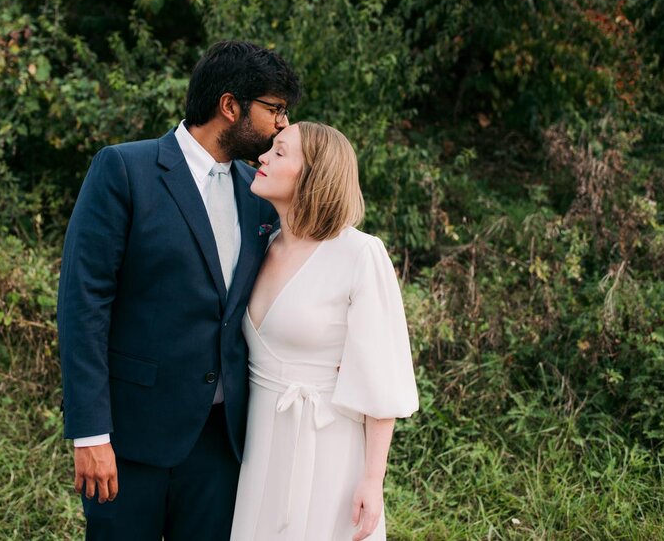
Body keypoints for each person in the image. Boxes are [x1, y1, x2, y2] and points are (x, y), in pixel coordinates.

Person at [56, 40, 300, 541]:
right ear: (229, 106)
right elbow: (83, 306)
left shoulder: (258, 193)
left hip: (222, 443)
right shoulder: (124, 170)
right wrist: (90, 433)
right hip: (131, 438)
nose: (283, 124)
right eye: (274, 109)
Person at [230, 122, 419, 541]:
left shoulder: (359, 254)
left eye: (279, 152)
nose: (262, 157)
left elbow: (380, 378)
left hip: (327, 445)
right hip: (260, 442)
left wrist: (373, 480)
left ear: (312, 174)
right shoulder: (260, 245)